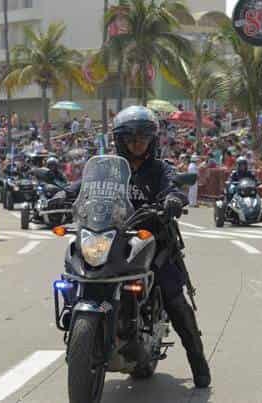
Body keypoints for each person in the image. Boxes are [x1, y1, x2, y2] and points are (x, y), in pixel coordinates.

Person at [100, 105, 210, 387]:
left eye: (143, 138)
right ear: (120, 140)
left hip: (154, 241)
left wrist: (174, 198)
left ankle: (198, 364)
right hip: (114, 238)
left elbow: (173, 185)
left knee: (174, 295)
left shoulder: (160, 169)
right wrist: (63, 193)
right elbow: (84, 187)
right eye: (131, 138)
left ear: (152, 140)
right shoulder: (111, 168)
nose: (137, 143)